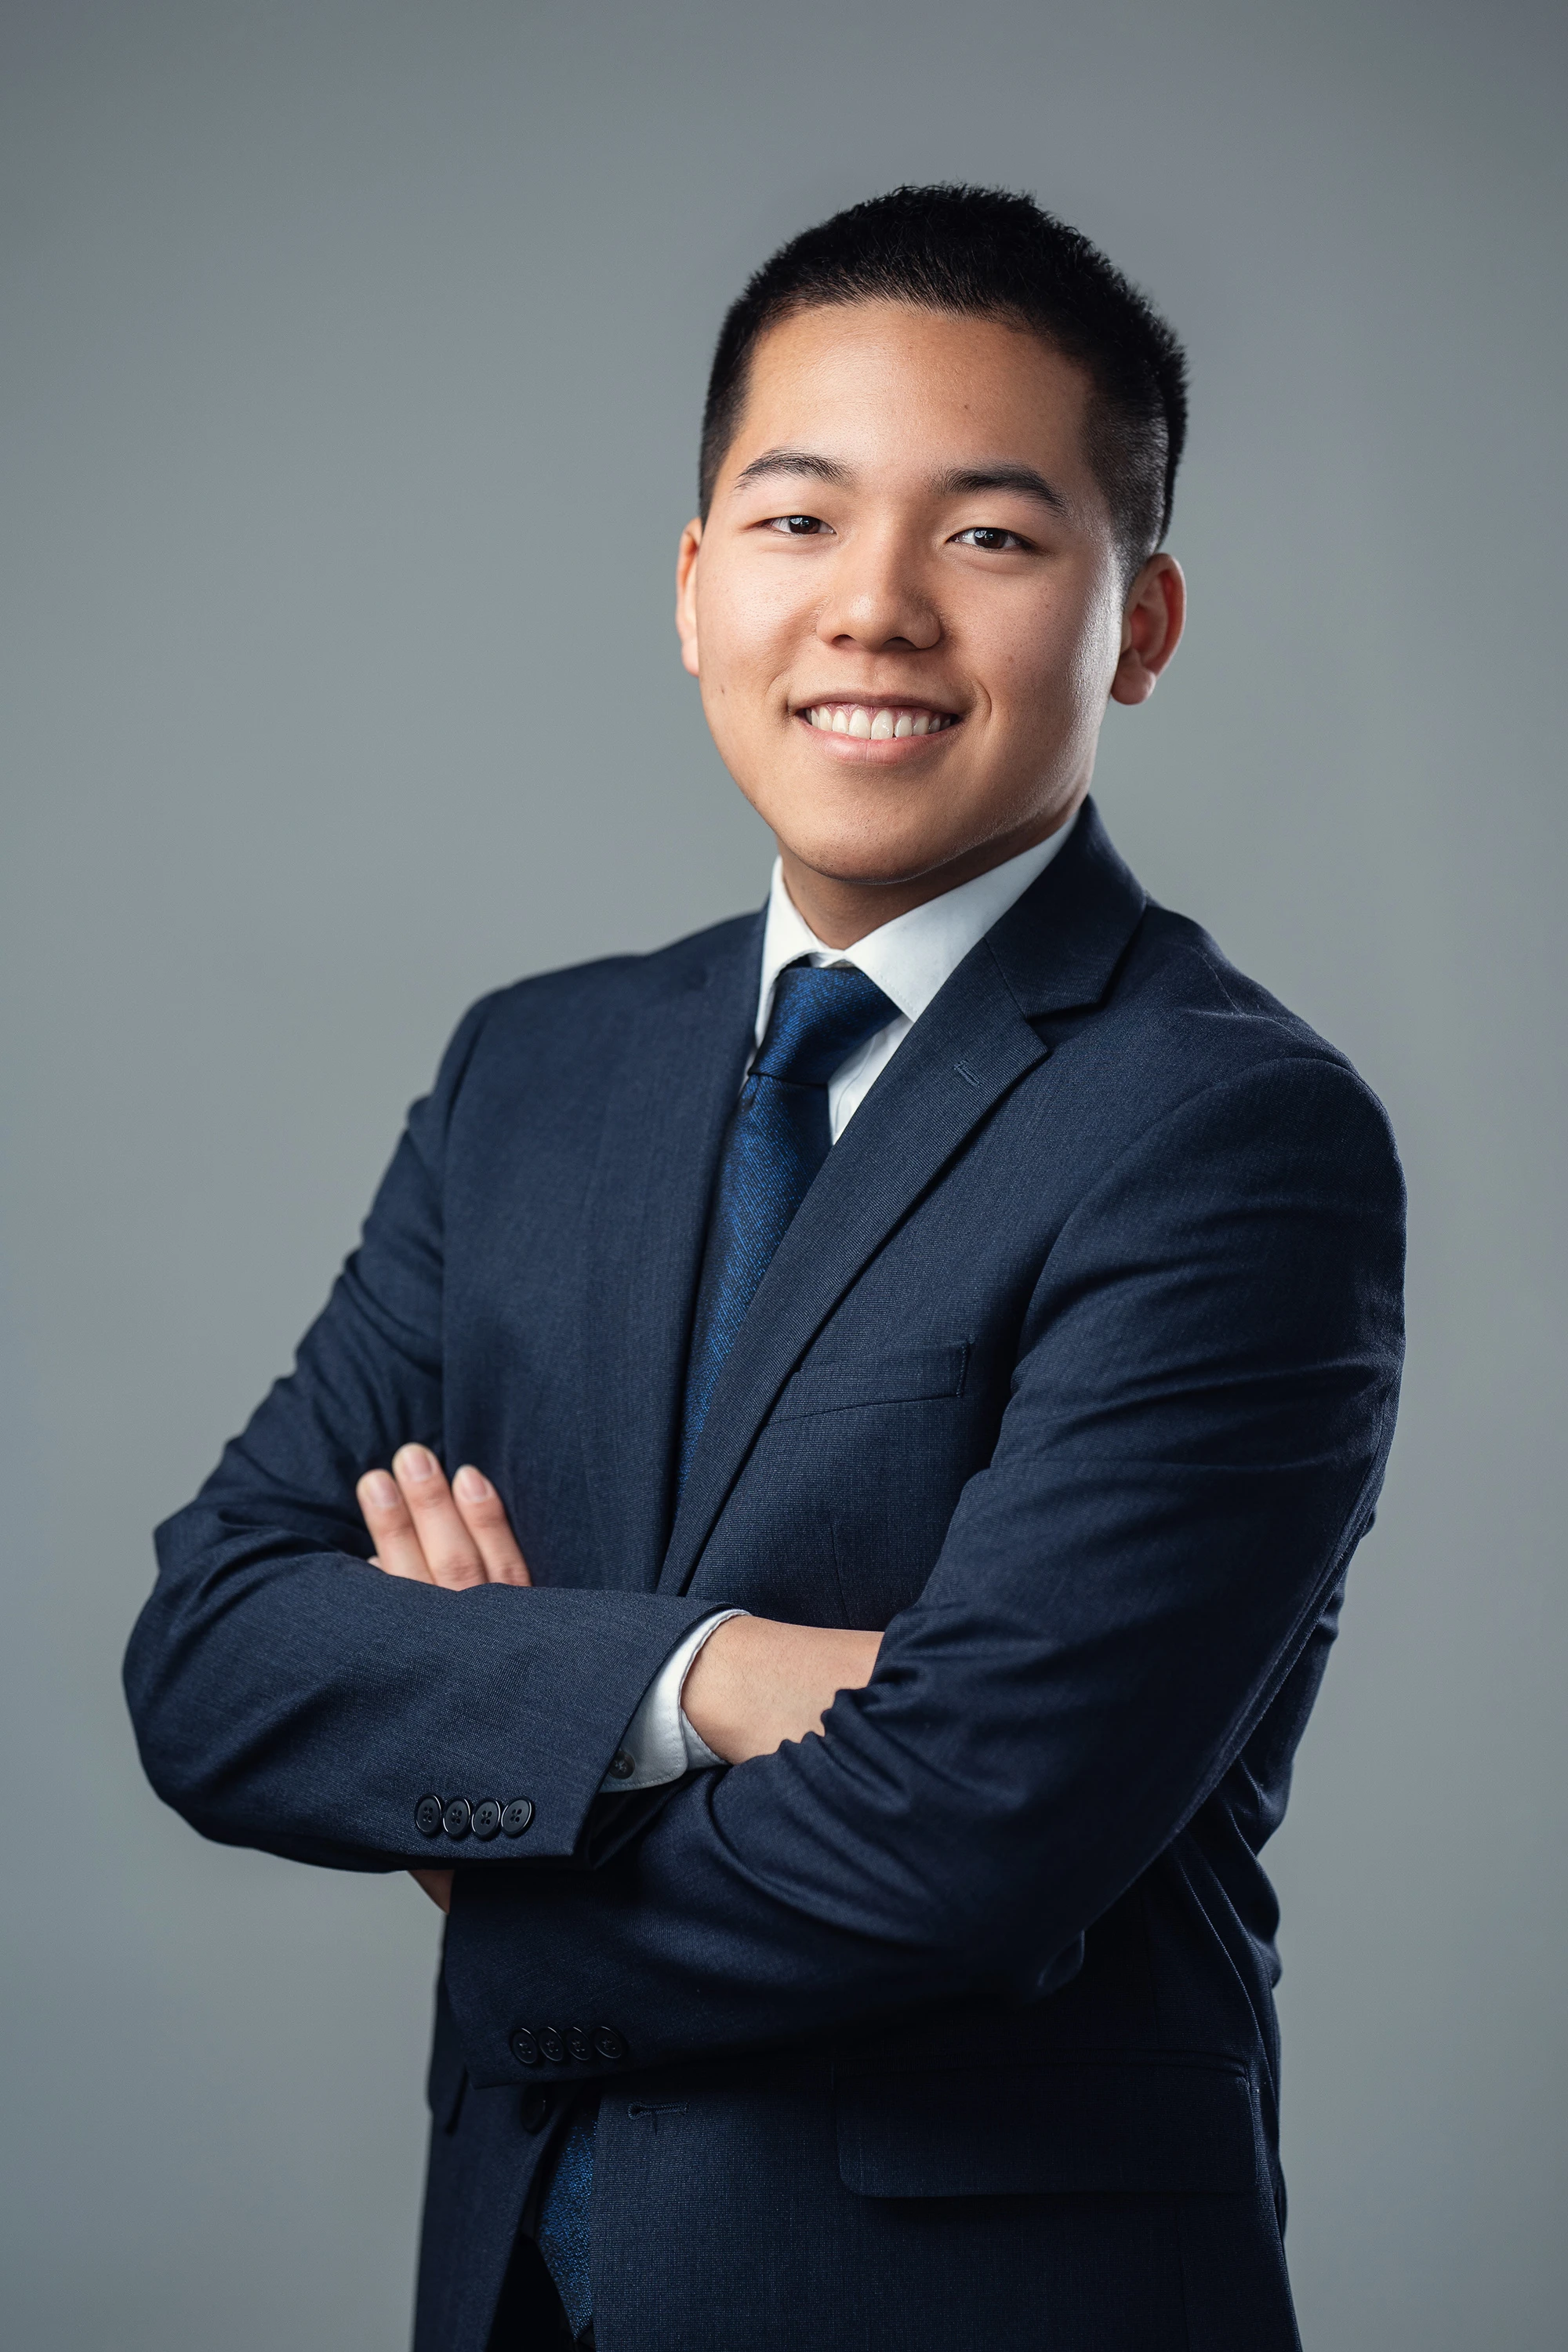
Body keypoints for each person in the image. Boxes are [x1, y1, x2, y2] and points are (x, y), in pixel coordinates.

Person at [124, 185, 1405, 2351]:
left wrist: (492, 1831)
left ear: (1144, 620)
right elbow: (216, 1655)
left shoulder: (1226, 1133)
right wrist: (695, 1685)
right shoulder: (536, 1070)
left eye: (990, 535)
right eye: (799, 521)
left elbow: (971, 1835)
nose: (877, 611)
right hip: (516, 2296)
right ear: (699, 586)